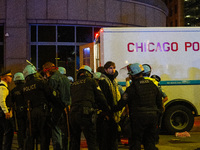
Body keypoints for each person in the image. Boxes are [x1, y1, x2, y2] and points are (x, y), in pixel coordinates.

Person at [113, 63, 163, 150]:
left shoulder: (132, 88)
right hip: (152, 117)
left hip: (138, 119)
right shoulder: (152, 85)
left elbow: (122, 103)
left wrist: (110, 110)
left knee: (135, 142)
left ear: (133, 75)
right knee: (150, 142)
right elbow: (159, 103)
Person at [69, 65, 110, 150]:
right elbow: (100, 97)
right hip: (86, 114)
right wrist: (107, 110)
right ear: (88, 73)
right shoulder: (91, 81)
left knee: (74, 141)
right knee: (92, 141)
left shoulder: (73, 84)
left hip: (73, 115)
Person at [23, 64, 55, 150]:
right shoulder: (40, 82)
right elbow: (50, 95)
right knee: (44, 135)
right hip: (42, 111)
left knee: (31, 136)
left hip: (31, 112)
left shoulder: (24, 87)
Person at [43, 62, 71, 150]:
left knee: (56, 130)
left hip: (57, 108)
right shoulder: (65, 78)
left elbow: (51, 95)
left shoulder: (53, 79)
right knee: (64, 131)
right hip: (67, 108)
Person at [96, 61, 122, 150]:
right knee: (106, 140)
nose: (112, 70)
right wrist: (106, 112)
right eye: (110, 68)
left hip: (113, 113)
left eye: (114, 68)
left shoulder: (114, 81)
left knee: (112, 138)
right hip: (106, 114)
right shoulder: (103, 81)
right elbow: (103, 98)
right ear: (106, 70)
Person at [11, 72, 26, 150]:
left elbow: (11, 102)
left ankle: (21, 146)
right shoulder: (27, 87)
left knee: (20, 129)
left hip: (19, 112)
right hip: (28, 110)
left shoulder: (13, 91)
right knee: (28, 129)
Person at [0, 70, 14, 150]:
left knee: (2, 132)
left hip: (1, 113)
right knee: (9, 133)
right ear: (5, 78)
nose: (11, 78)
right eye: (10, 76)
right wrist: (6, 112)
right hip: (4, 114)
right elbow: (1, 101)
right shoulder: (3, 88)